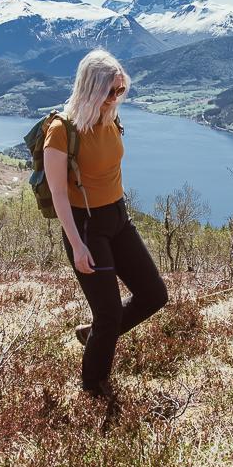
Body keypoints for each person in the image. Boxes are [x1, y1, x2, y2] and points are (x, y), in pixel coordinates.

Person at [43, 48, 168, 402]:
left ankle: (95, 333)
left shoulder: (110, 118)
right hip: (86, 226)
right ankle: (93, 389)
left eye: (121, 90)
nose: (116, 97)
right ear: (91, 88)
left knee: (154, 294)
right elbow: (57, 193)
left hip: (118, 217)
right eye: (110, 91)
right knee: (109, 312)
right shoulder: (61, 130)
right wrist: (77, 244)